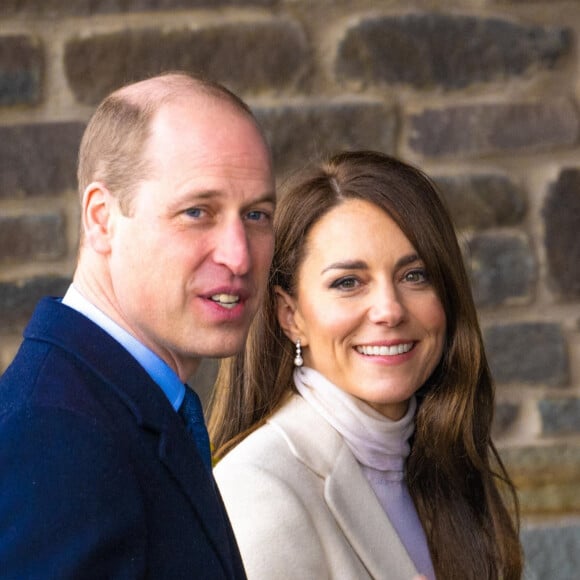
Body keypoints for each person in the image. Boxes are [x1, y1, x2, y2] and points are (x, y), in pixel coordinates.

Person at [0, 71, 276, 578]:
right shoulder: (57, 435)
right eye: (198, 212)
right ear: (102, 218)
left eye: (256, 215)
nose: (239, 256)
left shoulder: (121, 402)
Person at [210, 150, 523, 580]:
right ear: (290, 316)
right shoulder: (258, 488)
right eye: (348, 283)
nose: (389, 310)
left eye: (415, 275)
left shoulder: (441, 463)